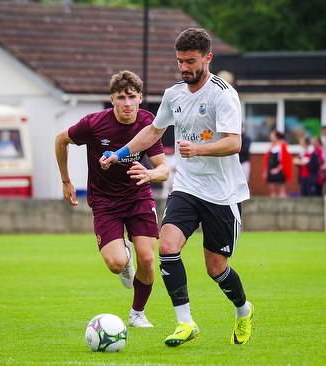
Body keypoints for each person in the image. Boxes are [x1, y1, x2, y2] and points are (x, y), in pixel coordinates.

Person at [101, 28, 253, 346]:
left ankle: (243, 310)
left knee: (215, 267)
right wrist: (119, 154)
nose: (184, 68)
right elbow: (153, 133)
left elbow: (233, 143)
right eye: (180, 61)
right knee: (168, 247)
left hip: (223, 194)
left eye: (191, 61)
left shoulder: (223, 94)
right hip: (186, 186)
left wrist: (198, 149)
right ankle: (185, 322)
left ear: (207, 59)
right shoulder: (174, 94)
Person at [55, 70, 169, 328]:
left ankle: (137, 313)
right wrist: (66, 180)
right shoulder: (94, 124)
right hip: (105, 202)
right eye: (121, 97)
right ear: (112, 100)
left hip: (138, 197)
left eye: (131, 97)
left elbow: (164, 170)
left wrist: (149, 173)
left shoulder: (148, 123)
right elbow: (61, 140)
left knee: (148, 259)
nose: (127, 103)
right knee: (116, 264)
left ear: (140, 98)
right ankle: (123, 256)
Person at [262, 130, 292, 197]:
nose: (271, 137)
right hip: (271, 168)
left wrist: (278, 169)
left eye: (272, 136)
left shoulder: (282, 145)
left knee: (281, 192)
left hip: (280, 169)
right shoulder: (270, 146)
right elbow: (266, 159)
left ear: (276, 137)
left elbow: (285, 160)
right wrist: (266, 171)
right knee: (272, 191)